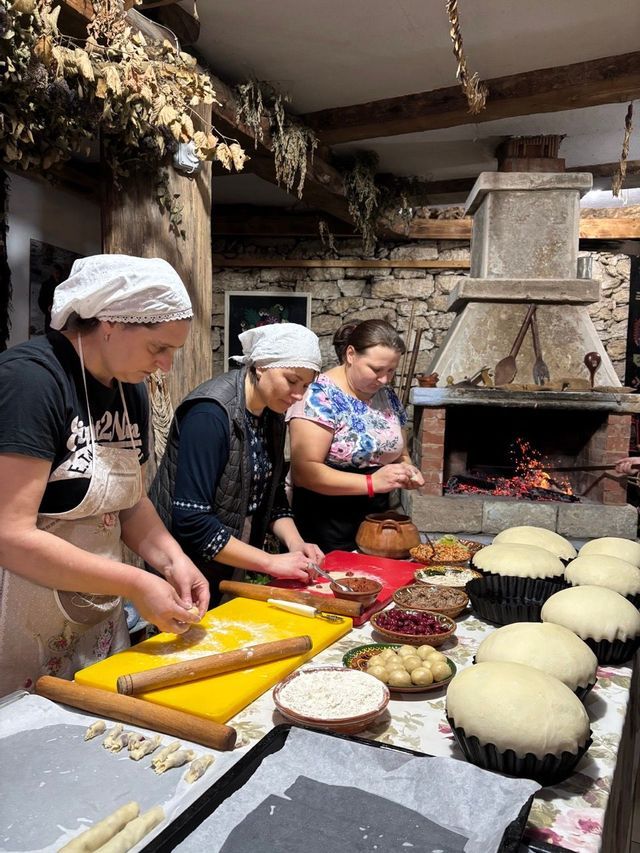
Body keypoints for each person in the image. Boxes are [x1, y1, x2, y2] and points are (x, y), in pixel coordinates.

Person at [0, 254, 210, 695]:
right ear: (111, 323)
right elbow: (9, 535)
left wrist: (172, 560)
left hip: (93, 613)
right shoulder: (32, 382)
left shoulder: (128, 389)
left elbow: (129, 500)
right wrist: (134, 581)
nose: (166, 366)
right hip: (17, 619)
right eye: (159, 348)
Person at [150, 323, 324, 604]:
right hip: (184, 565)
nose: (298, 395)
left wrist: (296, 543)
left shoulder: (272, 412)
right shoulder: (209, 414)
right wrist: (270, 562)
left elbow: (273, 494)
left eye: (305, 385)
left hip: (231, 561)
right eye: (291, 380)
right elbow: (192, 522)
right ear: (260, 367)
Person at [287, 319, 425, 553]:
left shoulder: (387, 396)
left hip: (374, 518)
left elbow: (400, 452)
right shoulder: (318, 395)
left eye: (391, 370)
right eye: (376, 369)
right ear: (351, 354)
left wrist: (407, 470)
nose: (384, 379)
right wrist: (372, 483)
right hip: (325, 519)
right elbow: (305, 472)